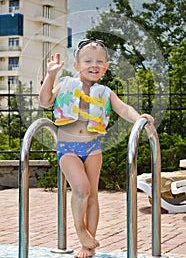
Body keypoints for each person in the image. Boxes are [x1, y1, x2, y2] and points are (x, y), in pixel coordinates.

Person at [39, 38, 154, 258]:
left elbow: (122, 109)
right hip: (68, 148)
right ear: (77, 66)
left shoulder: (105, 91)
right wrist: (51, 75)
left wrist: (139, 118)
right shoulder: (65, 84)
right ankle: (81, 231)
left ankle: (88, 246)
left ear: (106, 67)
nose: (94, 65)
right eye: (88, 60)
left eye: (100, 61)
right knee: (81, 189)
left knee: (93, 197)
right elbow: (45, 101)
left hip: (93, 147)